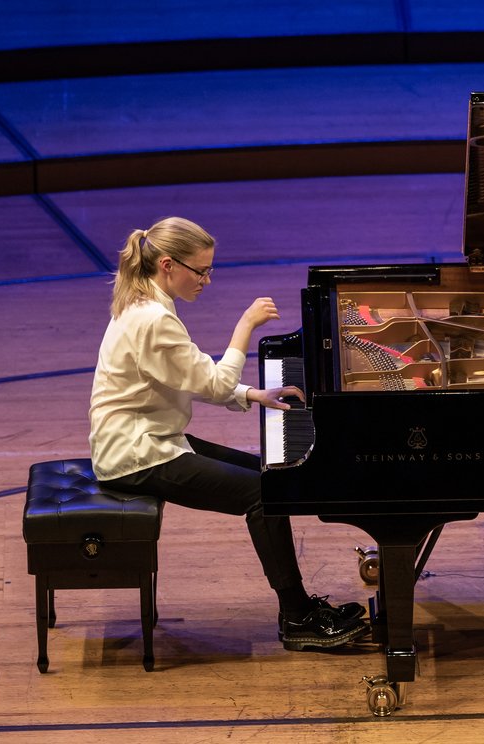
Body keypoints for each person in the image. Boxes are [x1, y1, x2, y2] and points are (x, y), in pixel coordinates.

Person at [88, 216, 368, 651]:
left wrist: (253, 393)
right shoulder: (153, 320)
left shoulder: (145, 304)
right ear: (167, 264)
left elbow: (189, 379)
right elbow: (213, 382)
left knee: (270, 477)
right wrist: (246, 325)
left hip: (149, 436)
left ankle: (298, 609)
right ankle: (297, 617)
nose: (207, 280)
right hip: (136, 454)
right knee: (263, 494)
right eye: (200, 271)